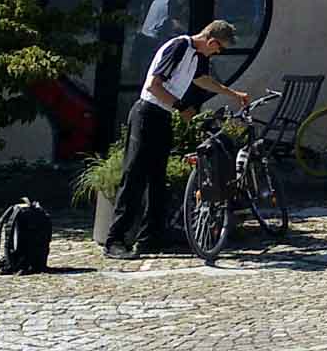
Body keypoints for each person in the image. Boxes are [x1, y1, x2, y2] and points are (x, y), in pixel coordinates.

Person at [104, 19, 249, 259]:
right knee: (134, 175)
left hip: (163, 116)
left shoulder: (196, 56)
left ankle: (151, 237)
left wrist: (232, 93)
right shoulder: (179, 47)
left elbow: (202, 79)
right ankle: (115, 240)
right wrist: (181, 107)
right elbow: (153, 85)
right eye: (219, 48)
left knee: (157, 179)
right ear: (211, 41)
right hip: (146, 113)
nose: (217, 53)